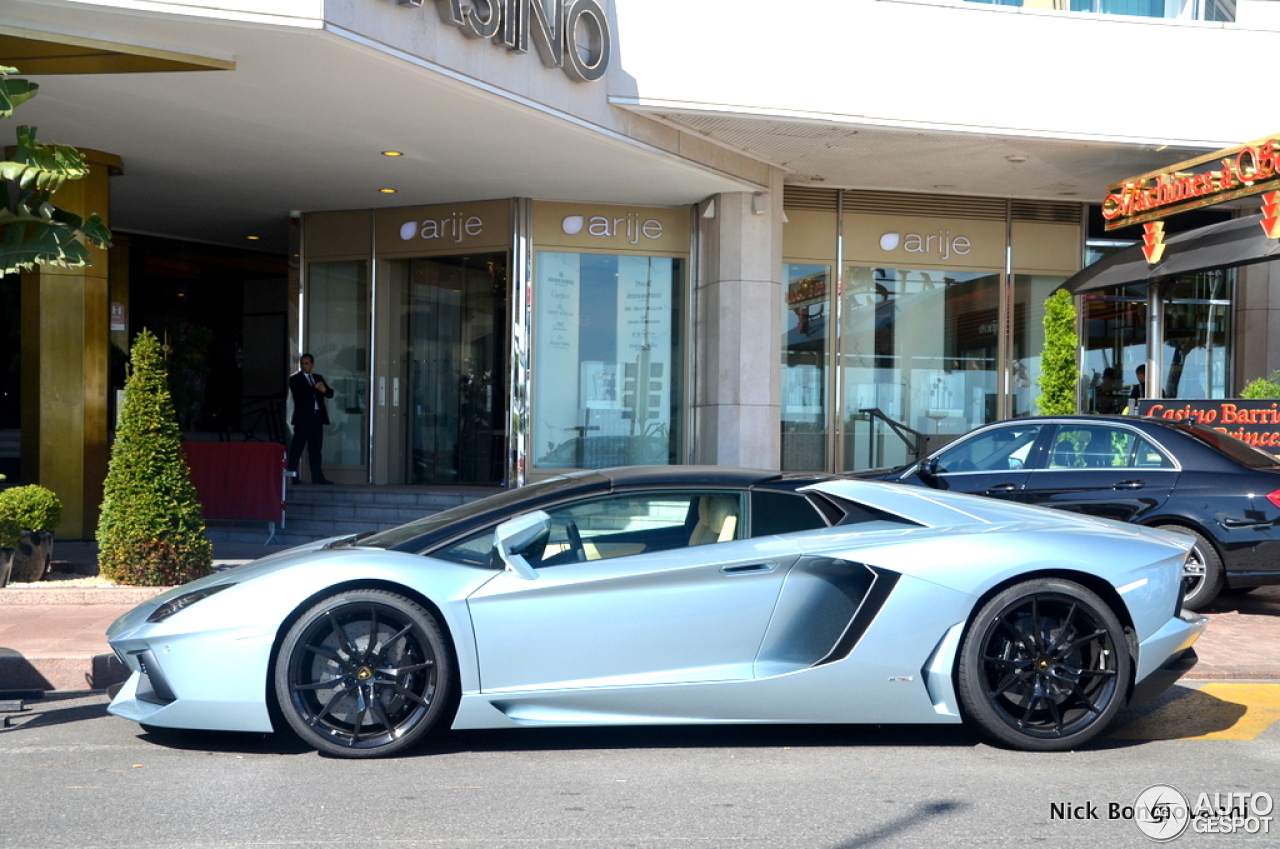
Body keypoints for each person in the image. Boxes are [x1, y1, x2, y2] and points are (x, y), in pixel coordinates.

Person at [287, 353, 335, 484]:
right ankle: (293, 476)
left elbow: (330, 393)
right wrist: (315, 388)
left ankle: (317, 477)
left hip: (316, 418)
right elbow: (300, 395)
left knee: (315, 449)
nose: (304, 366)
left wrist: (323, 390)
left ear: (312, 365)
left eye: (307, 363)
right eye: (302, 363)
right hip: (302, 419)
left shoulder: (318, 377)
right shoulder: (295, 379)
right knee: (297, 448)